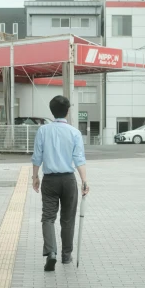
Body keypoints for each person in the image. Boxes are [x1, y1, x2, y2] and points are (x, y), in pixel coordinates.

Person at [31, 95, 89, 272]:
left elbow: (37, 156)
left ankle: (51, 253)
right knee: (68, 219)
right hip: (69, 180)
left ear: (51, 110)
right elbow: (79, 159)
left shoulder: (43, 130)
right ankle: (66, 255)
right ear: (67, 111)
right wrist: (84, 181)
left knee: (48, 218)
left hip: (49, 180)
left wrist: (35, 177)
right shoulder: (74, 132)